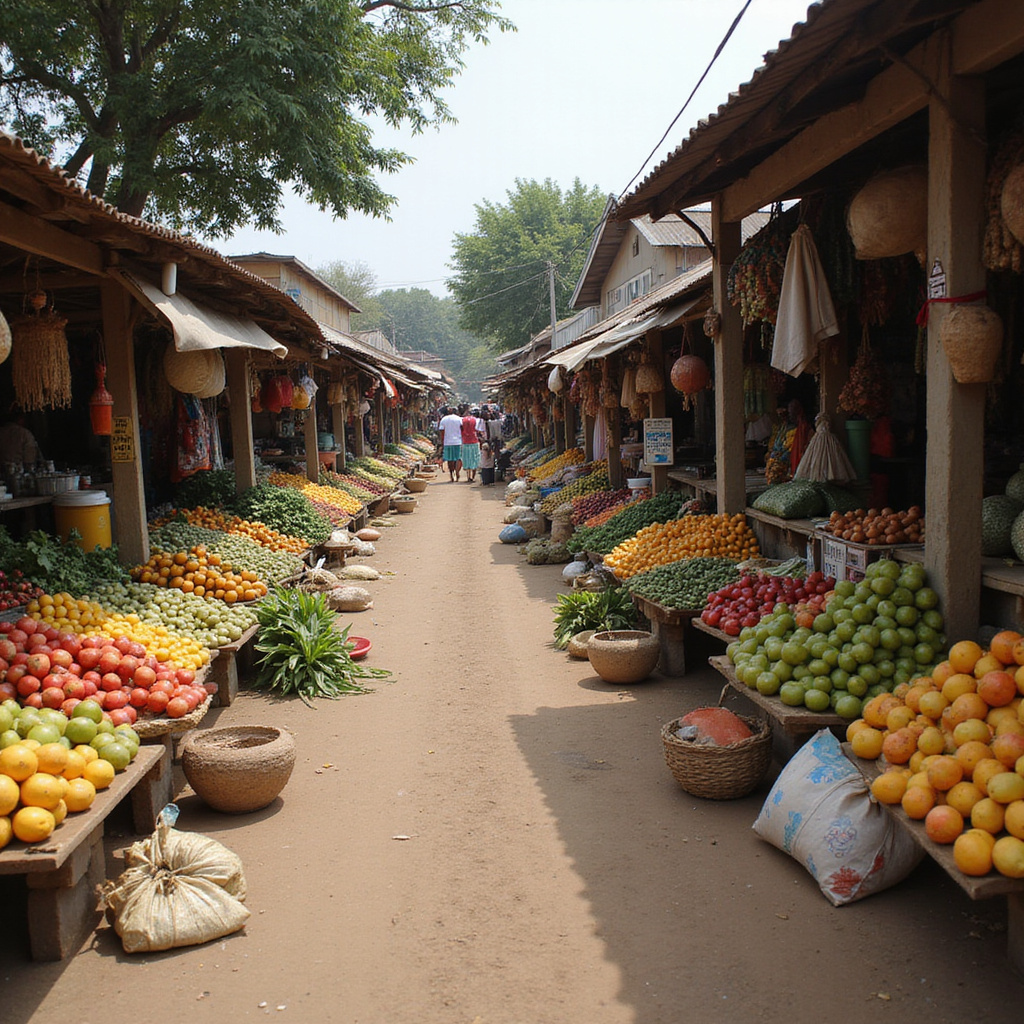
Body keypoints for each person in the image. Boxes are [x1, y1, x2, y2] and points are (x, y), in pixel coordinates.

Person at [438, 405, 464, 482]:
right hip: (458, 441)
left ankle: (451, 474)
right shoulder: (459, 419)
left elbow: (442, 432)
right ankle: (457, 472)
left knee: (450, 459)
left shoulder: (444, 419)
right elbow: (462, 429)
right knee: (458, 458)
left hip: (447, 442)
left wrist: (442, 442)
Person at [459, 404, 482, 482]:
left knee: (466, 458)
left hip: (465, 441)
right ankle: (473, 476)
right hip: (474, 441)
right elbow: (478, 430)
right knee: (475, 458)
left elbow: (461, 430)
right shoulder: (476, 420)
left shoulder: (461, 420)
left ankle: (468, 476)